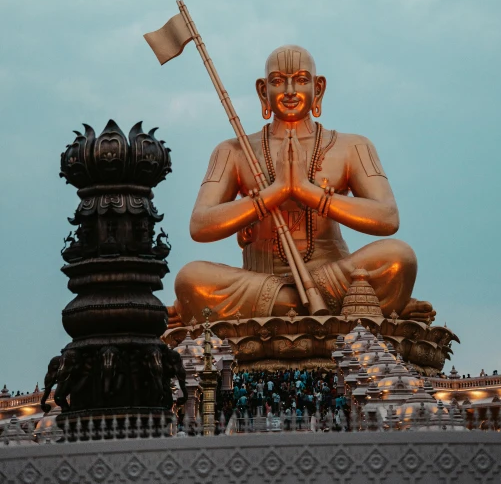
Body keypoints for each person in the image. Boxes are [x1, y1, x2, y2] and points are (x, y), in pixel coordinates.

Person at [174, 46, 434, 323]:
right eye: (277, 81)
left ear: (318, 87)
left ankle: (285, 307)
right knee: (190, 279)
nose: (288, 91)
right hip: (260, 282)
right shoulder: (233, 150)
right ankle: (340, 305)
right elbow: (200, 225)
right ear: (263, 91)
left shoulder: (352, 146)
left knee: (399, 257)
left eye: (300, 79)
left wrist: (306, 191)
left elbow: (387, 217)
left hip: (333, 276)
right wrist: (276, 192)